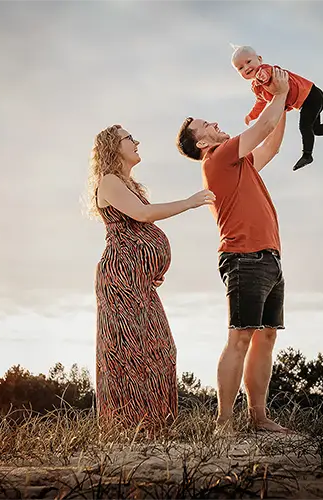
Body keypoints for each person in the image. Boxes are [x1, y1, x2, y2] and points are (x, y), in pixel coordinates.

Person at [174, 67, 294, 434]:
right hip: (244, 258)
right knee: (240, 336)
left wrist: (284, 105)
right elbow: (260, 129)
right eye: (204, 125)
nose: (213, 123)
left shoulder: (238, 162)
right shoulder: (219, 158)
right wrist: (280, 93)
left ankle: (257, 418)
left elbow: (270, 143)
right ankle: (223, 422)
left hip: (269, 257)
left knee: (266, 336)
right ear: (201, 143)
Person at [87, 124, 215, 435]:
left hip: (137, 280)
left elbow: (140, 230)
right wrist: (189, 202)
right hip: (120, 278)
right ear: (113, 148)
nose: (137, 141)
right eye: (129, 139)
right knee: (127, 351)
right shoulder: (109, 181)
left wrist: (151, 267)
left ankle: (155, 423)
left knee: (160, 348)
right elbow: (143, 217)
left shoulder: (128, 184)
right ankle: (128, 426)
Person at [231, 44, 323, 171]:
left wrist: (263, 77)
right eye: (241, 68)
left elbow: (267, 73)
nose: (246, 67)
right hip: (306, 102)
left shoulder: (266, 70)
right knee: (316, 129)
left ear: (259, 59)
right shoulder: (257, 88)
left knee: (304, 126)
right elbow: (260, 103)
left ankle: (307, 155)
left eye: (248, 62)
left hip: (311, 95)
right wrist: (251, 115)